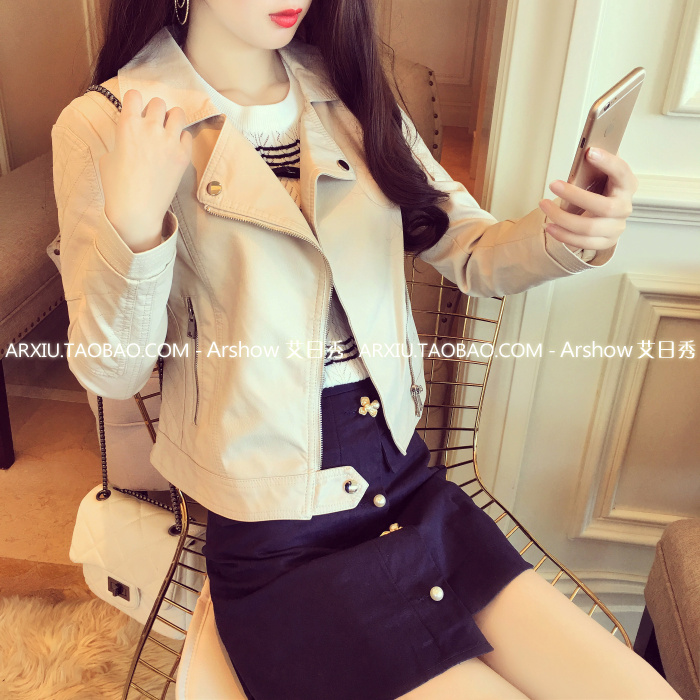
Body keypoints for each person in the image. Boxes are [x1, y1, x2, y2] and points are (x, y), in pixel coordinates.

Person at [50, 0, 681, 698]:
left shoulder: (344, 90)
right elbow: (112, 371)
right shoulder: (107, 122)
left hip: (409, 490)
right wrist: (135, 224)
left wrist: (570, 232)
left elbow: (472, 247)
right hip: (281, 542)